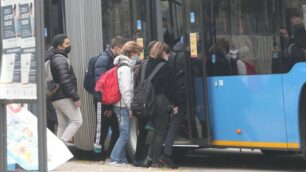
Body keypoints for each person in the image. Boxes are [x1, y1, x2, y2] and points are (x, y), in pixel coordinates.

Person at [135, 41, 179, 167]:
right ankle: (155, 162)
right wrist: (175, 104)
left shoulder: (143, 65)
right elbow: (171, 88)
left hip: (145, 102)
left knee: (150, 131)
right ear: (162, 53)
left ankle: (147, 159)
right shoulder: (164, 66)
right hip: (159, 101)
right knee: (160, 132)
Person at [93, 35, 127, 159]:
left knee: (116, 129)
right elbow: (100, 84)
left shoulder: (112, 60)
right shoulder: (104, 59)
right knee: (101, 129)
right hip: (102, 101)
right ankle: (97, 156)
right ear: (116, 48)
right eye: (123, 49)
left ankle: (110, 154)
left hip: (110, 101)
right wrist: (105, 103)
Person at [109, 41, 143, 165]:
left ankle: (121, 159)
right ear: (131, 52)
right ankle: (115, 158)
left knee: (123, 132)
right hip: (122, 105)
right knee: (124, 133)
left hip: (120, 104)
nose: (138, 57)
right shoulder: (125, 68)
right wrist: (129, 107)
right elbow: (125, 89)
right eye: (137, 53)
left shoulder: (121, 65)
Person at [45, 34, 83, 144]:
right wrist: (75, 97)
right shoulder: (59, 59)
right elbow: (65, 80)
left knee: (62, 125)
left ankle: (57, 155)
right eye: (67, 44)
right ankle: (60, 146)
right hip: (64, 96)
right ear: (60, 46)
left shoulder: (53, 58)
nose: (69, 45)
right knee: (77, 121)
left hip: (55, 97)